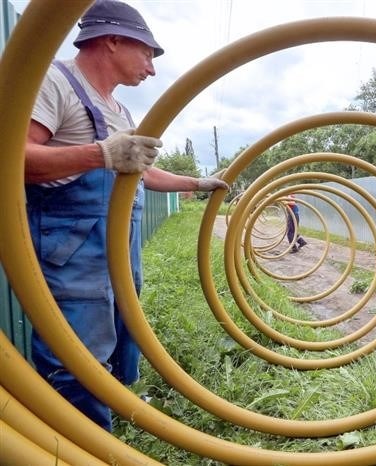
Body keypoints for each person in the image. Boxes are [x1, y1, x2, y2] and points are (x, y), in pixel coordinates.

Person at [24, 0, 228, 432]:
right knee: (77, 349)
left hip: (116, 246)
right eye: (149, 54)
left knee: (122, 328)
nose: (152, 70)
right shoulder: (54, 81)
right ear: (112, 39)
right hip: (73, 243)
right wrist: (99, 154)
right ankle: (83, 444)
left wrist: (196, 183)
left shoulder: (118, 110)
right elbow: (15, 159)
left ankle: (117, 405)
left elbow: (141, 172)